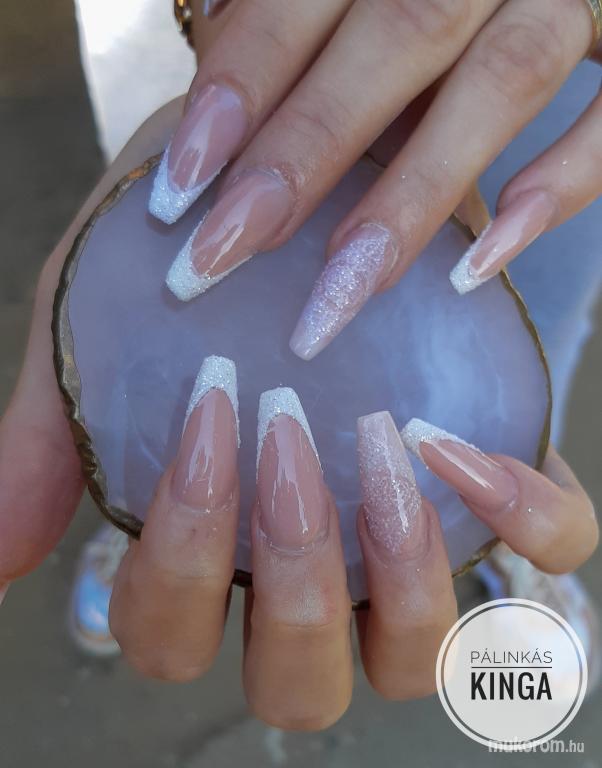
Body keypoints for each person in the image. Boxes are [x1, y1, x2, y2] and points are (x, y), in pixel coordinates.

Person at [2, 0, 601, 730]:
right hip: (204, 63)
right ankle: (147, 489)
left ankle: (495, 500)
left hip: (551, 77)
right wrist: (237, 35)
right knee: (185, 193)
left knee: (533, 291)